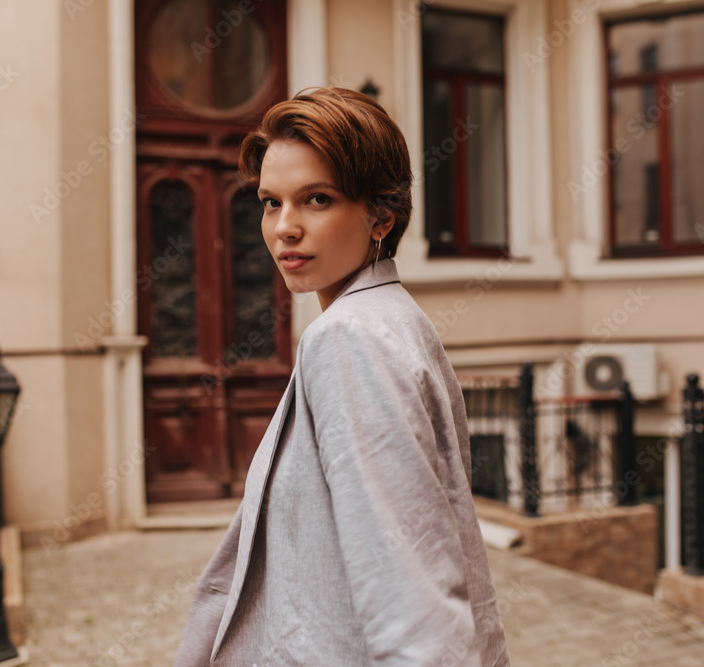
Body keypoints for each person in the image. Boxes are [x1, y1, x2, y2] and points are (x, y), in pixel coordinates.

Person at [173, 87, 509, 666]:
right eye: (270, 202)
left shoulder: (348, 338)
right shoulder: (397, 319)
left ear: (381, 214)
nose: (285, 228)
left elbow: (410, 586)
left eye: (317, 200)